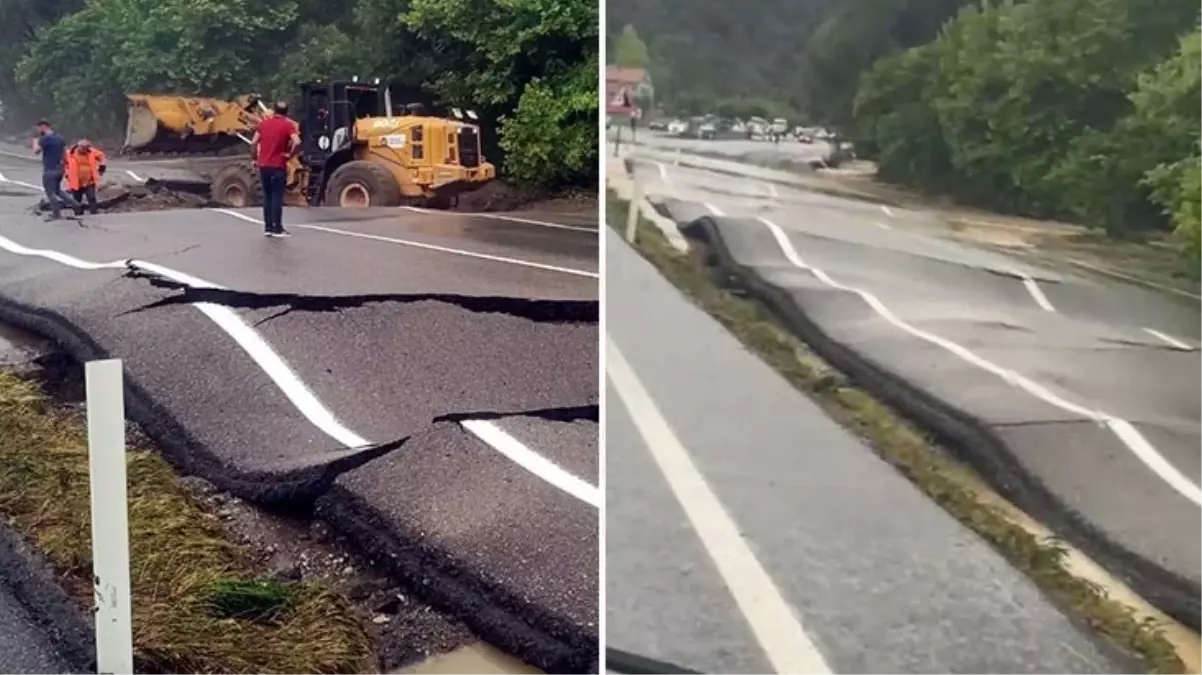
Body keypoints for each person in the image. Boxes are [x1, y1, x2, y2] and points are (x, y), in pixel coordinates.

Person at [250, 101, 300, 237]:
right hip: (278, 165)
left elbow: (254, 142)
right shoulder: (287, 125)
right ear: (287, 112)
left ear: (274, 111)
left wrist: (254, 158)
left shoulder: (264, 124)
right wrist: (290, 154)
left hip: (264, 165)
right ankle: (278, 228)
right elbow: (297, 141)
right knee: (277, 196)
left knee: (267, 196)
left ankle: (268, 228)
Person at [31, 120, 81, 221]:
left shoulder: (45, 139)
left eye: (39, 128)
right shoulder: (60, 138)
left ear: (44, 126)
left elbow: (36, 151)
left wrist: (35, 140)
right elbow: (65, 154)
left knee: (50, 193)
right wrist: (65, 166)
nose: (38, 130)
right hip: (60, 169)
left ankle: (56, 213)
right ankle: (76, 204)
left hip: (49, 170)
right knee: (57, 190)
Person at [64, 139, 107, 216]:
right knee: (76, 199)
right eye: (83, 148)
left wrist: (102, 167)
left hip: (89, 180)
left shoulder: (92, 152)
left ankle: (94, 213)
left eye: (86, 148)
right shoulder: (70, 154)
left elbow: (102, 157)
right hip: (76, 181)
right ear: (78, 146)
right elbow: (63, 163)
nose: (84, 150)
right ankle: (78, 214)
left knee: (91, 197)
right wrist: (66, 173)